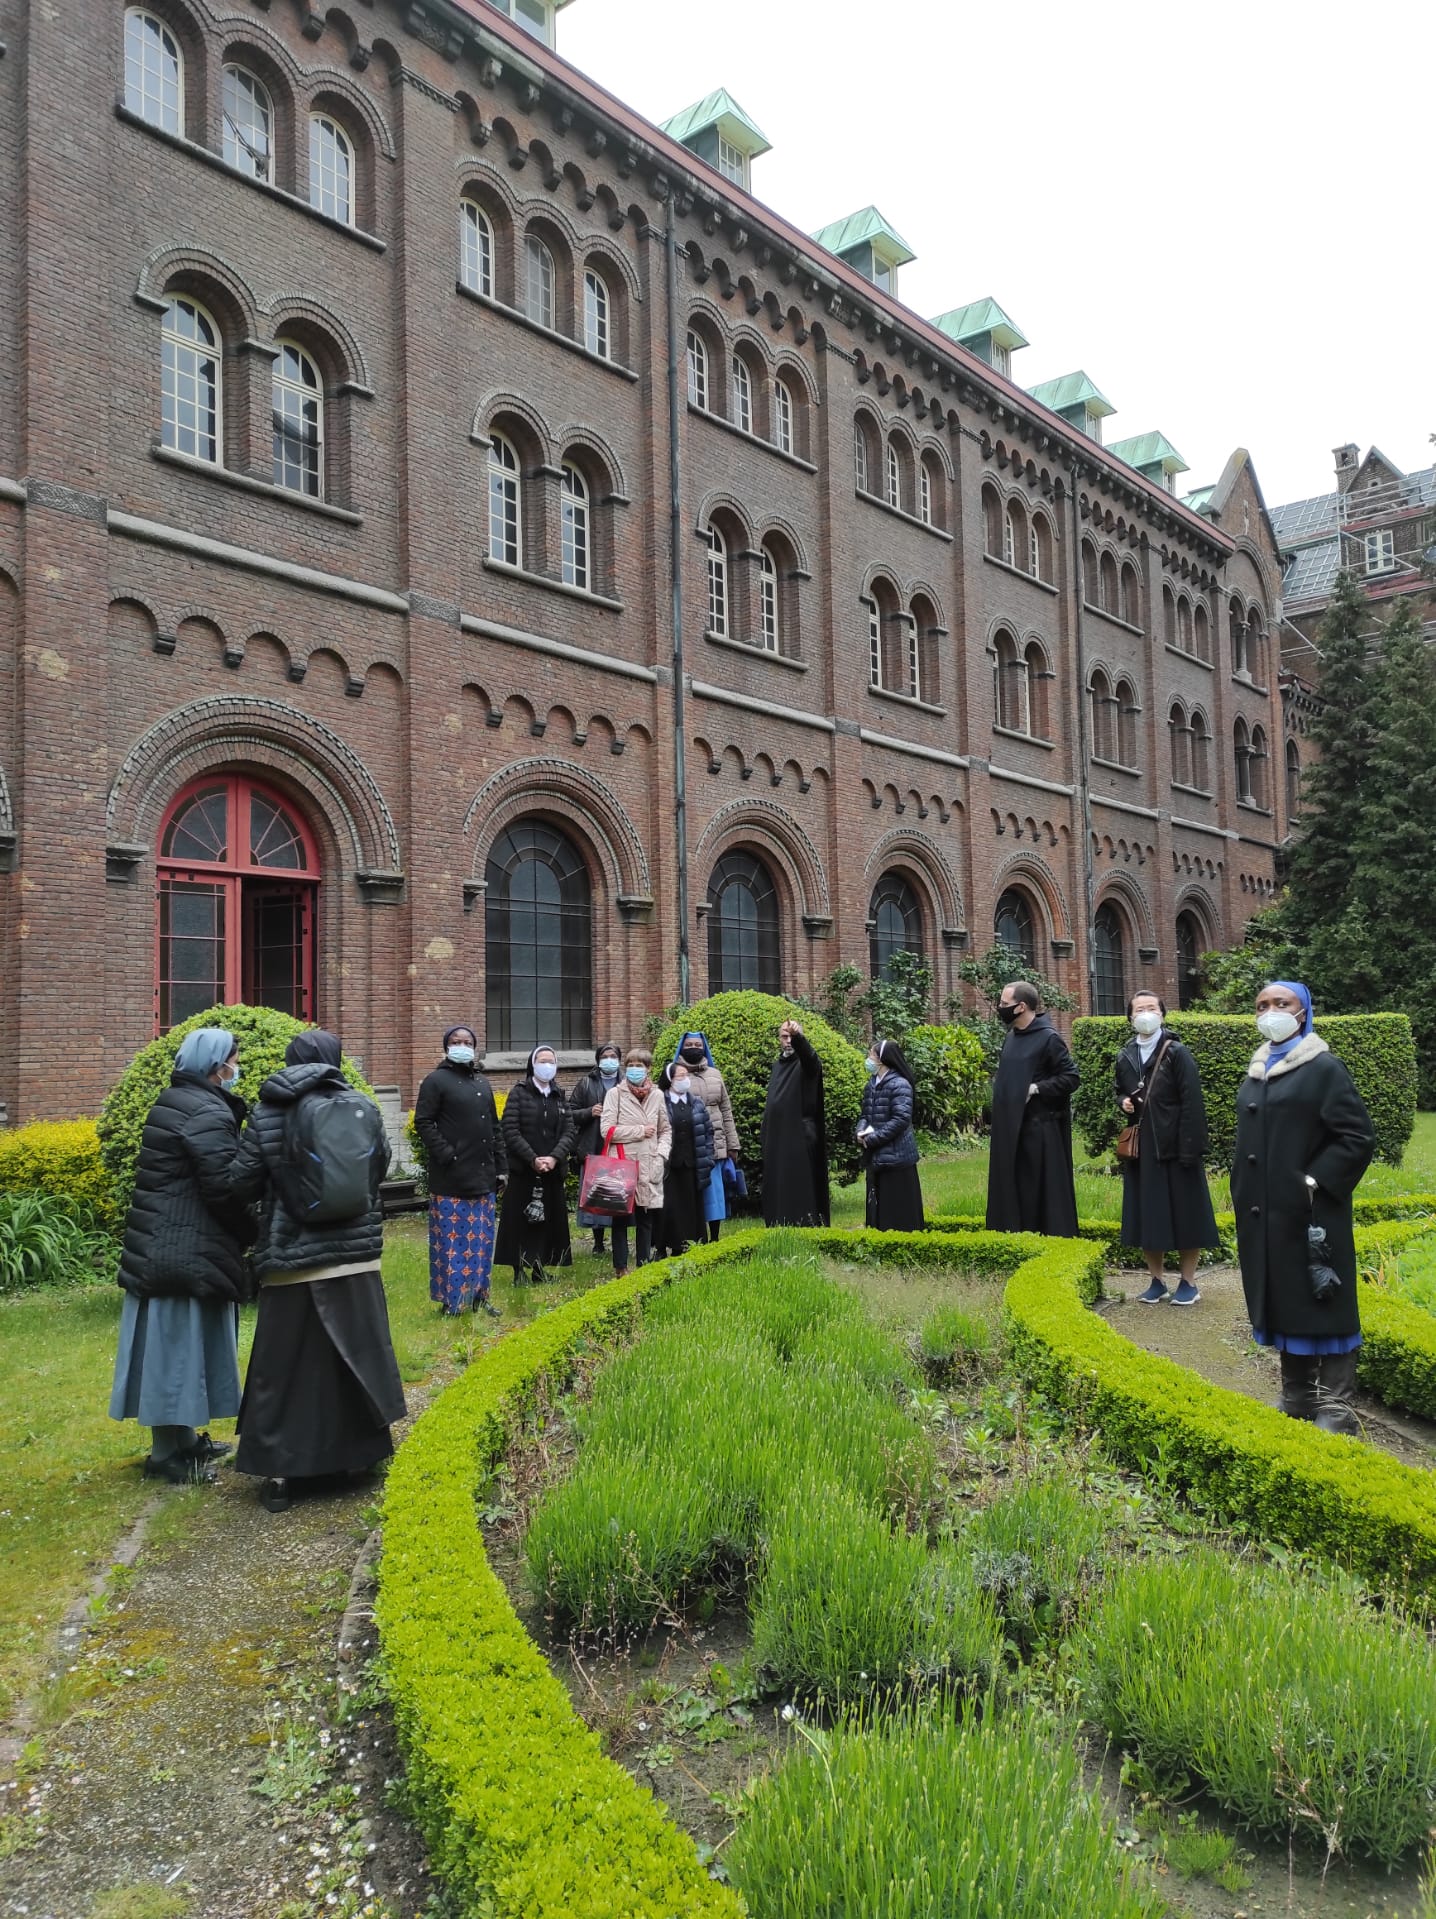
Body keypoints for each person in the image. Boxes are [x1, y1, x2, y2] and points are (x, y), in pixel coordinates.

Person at [226, 1031, 407, 1513]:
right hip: (355, 1256)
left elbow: (241, 1182)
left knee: (285, 1369)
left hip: (293, 1261)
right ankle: (359, 1456)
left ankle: (282, 1472)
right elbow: (380, 1169)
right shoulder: (360, 1105)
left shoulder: (269, 1110)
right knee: (356, 1359)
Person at [108, 1027, 254, 1485]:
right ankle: (165, 1454)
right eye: (233, 1059)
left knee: (175, 1349)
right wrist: (253, 1228)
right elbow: (223, 1186)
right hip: (184, 1247)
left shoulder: (175, 1099)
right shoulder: (205, 1111)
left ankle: (185, 1440)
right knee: (175, 1350)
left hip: (164, 1241)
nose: (236, 1067)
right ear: (216, 1066)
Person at [1232, 980, 1375, 1435]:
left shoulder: (1324, 1067)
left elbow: (1356, 1137)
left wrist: (1315, 1181)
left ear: (1303, 1011)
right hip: (1265, 1214)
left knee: (1324, 1298)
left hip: (1314, 1214)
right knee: (1284, 1298)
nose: (1270, 1011)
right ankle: (1296, 1395)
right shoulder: (1257, 1070)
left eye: (1281, 1003)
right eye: (1262, 1005)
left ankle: (1337, 1408)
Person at [1114, 992, 1220, 1305]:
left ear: (1162, 1014)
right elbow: (1119, 1091)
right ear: (1130, 1017)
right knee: (1148, 1214)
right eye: (1139, 1009)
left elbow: (1192, 1102)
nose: (1145, 1013)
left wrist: (1191, 1148)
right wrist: (1123, 1102)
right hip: (1143, 1150)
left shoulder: (1177, 1052)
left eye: (1151, 1008)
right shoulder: (1126, 1055)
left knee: (1186, 1213)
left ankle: (1188, 1282)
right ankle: (1156, 1280)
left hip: (1176, 1147)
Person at [414, 1024, 507, 1317]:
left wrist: (502, 1167)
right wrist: (446, 1154)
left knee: (481, 1242)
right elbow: (424, 1122)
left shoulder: (482, 1083)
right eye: (456, 1041)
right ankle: (452, 1302)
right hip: (451, 1177)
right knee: (452, 1244)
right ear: (447, 1046)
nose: (462, 1045)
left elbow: (495, 1128)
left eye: (467, 1041)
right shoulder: (435, 1081)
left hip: (483, 1176)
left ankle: (480, 1296)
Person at [985, 981, 1080, 1236]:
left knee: (1036, 1191)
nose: (1000, 1008)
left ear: (1021, 1007)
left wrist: (1035, 1089)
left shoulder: (1049, 1039)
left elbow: (1071, 1077)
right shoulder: (1012, 1037)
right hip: (1010, 1129)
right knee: (1013, 1188)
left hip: (1039, 1131)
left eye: (1004, 1004)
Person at [495, 1044, 575, 1284]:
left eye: (551, 1061)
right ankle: (518, 1271)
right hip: (524, 1170)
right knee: (518, 1221)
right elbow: (510, 1129)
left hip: (551, 1170)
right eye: (542, 1060)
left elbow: (569, 1131)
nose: (547, 1065)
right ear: (532, 1064)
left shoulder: (559, 1094)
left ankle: (540, 1268)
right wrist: (532, 1158)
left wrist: (553, 1157)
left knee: (547, 1221)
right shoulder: (519, 1093)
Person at [600, 1048, 671, 1273]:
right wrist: (640, 1130)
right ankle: (620, 1267)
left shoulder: (658, 1095)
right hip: (623, 1164)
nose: (634, 1069)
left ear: (648, 1069)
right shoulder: (615, 1094)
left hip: (649, 1163)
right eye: (630, 1065)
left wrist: (661, 1154)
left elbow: (665, 1129)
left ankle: (643, 1265)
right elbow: (607, 1130)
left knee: (646, 1216)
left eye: (639, 1066)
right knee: (620, 1218)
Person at [760, 1018, 830, 1227]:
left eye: (792, 1037)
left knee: (799, 1184)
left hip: (800, 1133)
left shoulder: (806, 1064)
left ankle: (804, 1224)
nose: (788, 1041)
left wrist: (799, 1037)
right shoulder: (778, 1065)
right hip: (778, 1135)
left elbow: (810, 1057)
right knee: (779, 1183)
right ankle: (779, 1224)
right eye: (784, 1036)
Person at [673, 1031, 741, 1241]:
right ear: (682, 1048)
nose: (694, 1048)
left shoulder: (715, 1074)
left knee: (714, 1194)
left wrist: (733, 1144)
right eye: (690, 1044)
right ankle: (693, 1235)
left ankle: (715, 1236)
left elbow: (726, 1111)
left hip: (715, 1144)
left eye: (698, 1044)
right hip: (688, 1145)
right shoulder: (676, 1075)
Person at [857, 1039, 924, 1231]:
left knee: (898, 1210)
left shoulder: (899, 1084)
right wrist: (860, 1132)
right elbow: (865, 1114)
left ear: (882, 1059)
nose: (868, 1058)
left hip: (896, 1156)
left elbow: (901, 1120)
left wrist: (874, 1138)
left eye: (871, 1054)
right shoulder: (871, 1084)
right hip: (876, 1154)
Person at [654, 1059, 714, 1256]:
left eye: (686, 1076)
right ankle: (662, 1246)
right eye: (680, 1076)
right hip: (667, 1166)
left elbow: (707, 1131)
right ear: (670, 1079)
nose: (685, 1080)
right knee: (667, 1208)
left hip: (691, 1163)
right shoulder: (659, 1101)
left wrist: (708, 1157)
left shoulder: (696, 1102)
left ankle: (686, 1245)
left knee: (689, 1206)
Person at [570, 1043, 623, 1257]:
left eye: (613, 1056)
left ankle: (619, 1237)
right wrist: (589, 1112)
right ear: (598, 1059)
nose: (609, 1059)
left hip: (619, 1146)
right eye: (605, 1056)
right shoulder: (586, 1083)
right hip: (593, 1145)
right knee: (595, 1194)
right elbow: (570, 1112)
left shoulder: (626, 1081)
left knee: (618, 1193)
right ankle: (598, 1241)